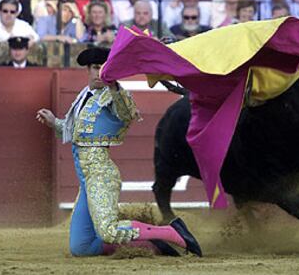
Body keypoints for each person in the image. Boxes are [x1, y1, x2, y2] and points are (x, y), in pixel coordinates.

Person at [36, 47, 202, 257]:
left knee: (108, 231)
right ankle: (155, 246)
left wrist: (114, 85)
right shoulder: (85, 95)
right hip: (87, 180)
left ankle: (171, 232)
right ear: (88, 69)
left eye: (105, 68)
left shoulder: (113, 94)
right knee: (82, 247)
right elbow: (75, 133)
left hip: (100, 175)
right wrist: (54, 122)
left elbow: (126, 113)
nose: (99, 73)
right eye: (96, 68)